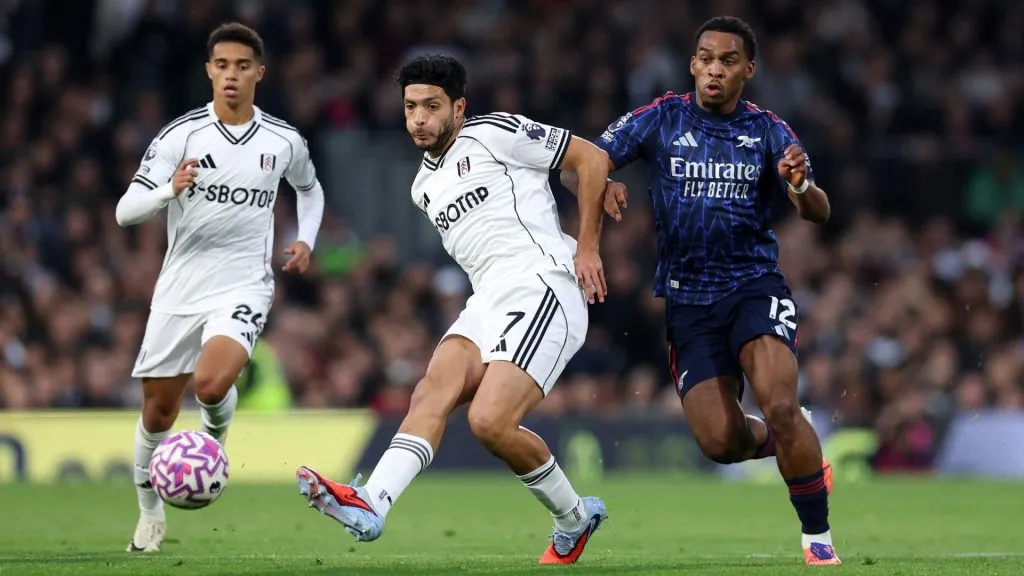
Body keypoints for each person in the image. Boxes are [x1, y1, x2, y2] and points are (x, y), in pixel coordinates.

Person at [295, 53, 612, 565]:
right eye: (410, 107)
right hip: (486, 299)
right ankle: (373, 503)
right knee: (431, 390)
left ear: (459, 107)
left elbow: (589, 159)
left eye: (431, 106)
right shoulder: (422, 186)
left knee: (490, 422)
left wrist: (588, 246)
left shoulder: (491, 132)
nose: (419, 118)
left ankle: (573, 517)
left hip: (543, 284)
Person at [562, 16, 840, 566]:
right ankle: (797, 446)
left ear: (748, 70)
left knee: (781, 403)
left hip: (753, 285)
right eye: (706, 58)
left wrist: (801, 184)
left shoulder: (769, 131)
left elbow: (819, 212)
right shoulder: (662, 117)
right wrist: (604, 179)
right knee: (719, 443)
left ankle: (817, 537)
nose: (715, 69)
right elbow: (579, 165)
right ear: (692, 64)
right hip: (689, 301)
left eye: (728, 61)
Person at [116, 22, 325, 552]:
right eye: (222, 66)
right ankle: (149, 514)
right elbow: (124, 211)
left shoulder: (282, 140)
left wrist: (306, 239)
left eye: (241, 66)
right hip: (180, 286)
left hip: (244, 283)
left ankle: (215, 433)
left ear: (259, 72)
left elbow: (310, 188)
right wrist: (169, 189)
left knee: (210, 385)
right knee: (158, 413)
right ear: (209, 70)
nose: (231, 76)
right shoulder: (180, 136)